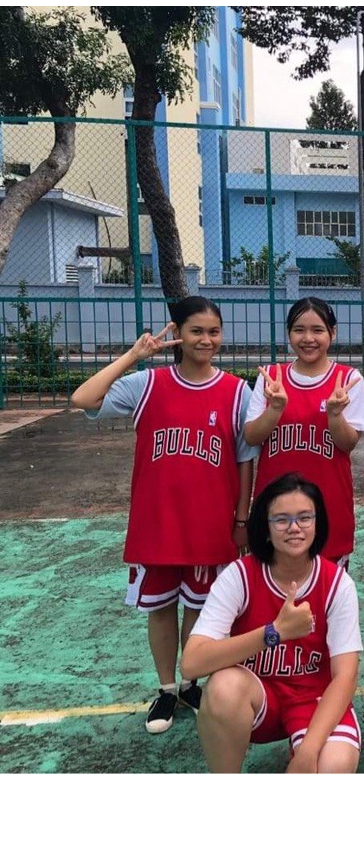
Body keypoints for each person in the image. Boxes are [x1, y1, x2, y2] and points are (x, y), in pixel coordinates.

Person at [70, 296, 257, 734]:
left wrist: (242, 518)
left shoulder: (236, 391)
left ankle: (191, 683)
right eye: (196, 331)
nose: (206, 340)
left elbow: (246, 459)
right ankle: (166, 688)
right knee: (161, 609)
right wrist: (135, 355)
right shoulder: (148, 384)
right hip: (157, 524)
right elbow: (83, 398)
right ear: (178, 334)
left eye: (214, 331)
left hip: (210, 524)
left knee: (199, 608)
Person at [181, 473, 362, 773]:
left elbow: (345, 677)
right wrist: (274, 632)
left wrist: (308, 752)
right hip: (259, 698)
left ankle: (304, 748)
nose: (294, 527)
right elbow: (191, 663)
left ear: (317, 523)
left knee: (334, 766)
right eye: (281, 519)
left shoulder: (337, 584)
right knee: (223, 687)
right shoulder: (240, 576)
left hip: (314, 699)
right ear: (265, 528)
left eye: (304, 517)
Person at [244, 297, 364, 569]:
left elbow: (347, 444)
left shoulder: (349, 379)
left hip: (329, 508)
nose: (308, 338)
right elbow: (251, 437)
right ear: (289, 333)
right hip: (275, 509)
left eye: (318, 330)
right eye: (299, 330)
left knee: (327, 589)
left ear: (332, 333)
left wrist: (335, 415)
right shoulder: (271, 378)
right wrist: (275, 408)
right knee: (273, 587)